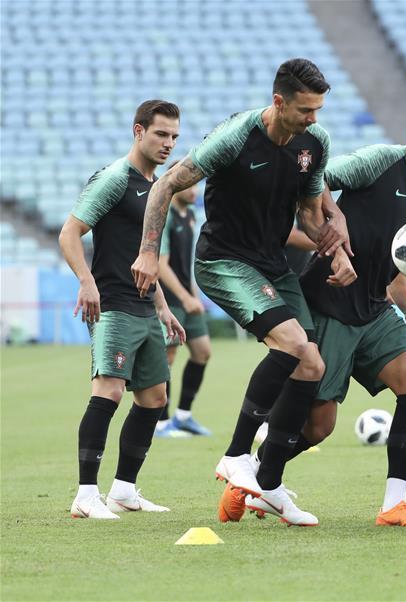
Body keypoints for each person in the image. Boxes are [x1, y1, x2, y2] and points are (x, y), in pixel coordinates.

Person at [131, 58, 355, 527]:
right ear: (279, 102)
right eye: (306, 109)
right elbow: (165, 185)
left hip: (273, 265)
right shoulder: (235, 137)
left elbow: (309, 213)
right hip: (224, 261)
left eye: (318, 109)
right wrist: (149, 252)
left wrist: (334, 247)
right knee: (292, 343)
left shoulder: (315, 143)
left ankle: (268, 486)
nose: (313, 118)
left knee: (312, 363)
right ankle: (236, 455)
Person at [220, 100, 406, 527]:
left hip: (376, 309)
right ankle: (255, 477)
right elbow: (317, 179)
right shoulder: (379, 162)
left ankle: (395, 505)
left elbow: (397, 263)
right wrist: (337, 222)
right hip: (330, 301)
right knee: (319, 426)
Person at [58, 100, 186, 519]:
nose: (168, 143)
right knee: (109, 391)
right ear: (138, 131)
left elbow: (145, 256)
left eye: (174, 136)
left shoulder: (159, 188)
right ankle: (85, 495)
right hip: (112, 304)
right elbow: (70, 232)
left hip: (146, 308)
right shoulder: (114, 178)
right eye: (161, 134)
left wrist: (163, 307)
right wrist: (86, 281)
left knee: (154, 398)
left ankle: (124, 491)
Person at [154, 172, 212, 437]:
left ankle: (183, 416)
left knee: (202, 351)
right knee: (167, 357)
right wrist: (185, 298)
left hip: (186, 297)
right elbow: (160, 265)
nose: (195, 191)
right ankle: (161, 423)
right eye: (190, 186)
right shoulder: (164, 216)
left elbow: (185, 264)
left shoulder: (189, 215)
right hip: (168, 298)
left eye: (196, 186)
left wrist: (193, 294)